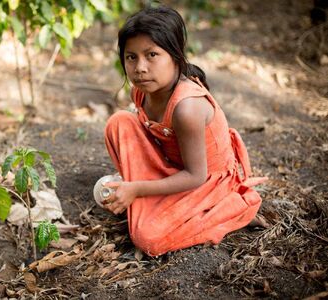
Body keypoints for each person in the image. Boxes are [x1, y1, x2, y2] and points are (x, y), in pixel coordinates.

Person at [101, 5, 268, 256]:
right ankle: (152, 198)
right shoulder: (144, 89)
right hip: (172, 164)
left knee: (148, 238)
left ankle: (233, 210)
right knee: (118, 122)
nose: (140, 67)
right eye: (131, 56)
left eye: (152, 55)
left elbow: (195, 176)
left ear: (176, 56)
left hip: (204, 182)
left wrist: (135, 188)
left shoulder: (187, 107)